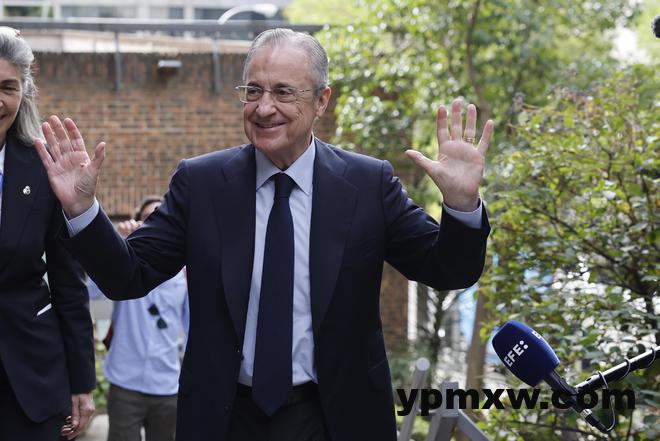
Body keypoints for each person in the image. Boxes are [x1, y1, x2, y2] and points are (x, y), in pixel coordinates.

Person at [35, 28, 493, 441]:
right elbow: (128, 275)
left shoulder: (367, 185)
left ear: (322, 100)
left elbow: (448, 270)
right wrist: (82, 209)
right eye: (253, 91)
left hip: (336, 415)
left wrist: (461, 205)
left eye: (283, 92)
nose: (264, 107)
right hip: (226, 416)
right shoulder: (202, 184)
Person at [0, 26, 95, 440]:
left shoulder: (45, 168)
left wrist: (82, 381)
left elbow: (68, 282)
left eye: (8, 87)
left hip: (33, 379)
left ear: (24, 93)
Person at [86, 195, 189, 441]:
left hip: (167, 384)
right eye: (146, 219)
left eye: (159, 217)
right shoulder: (124, 265)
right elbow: (90, 293)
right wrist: (118, 246)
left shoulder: (186, 273)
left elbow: (192, 328)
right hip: (126, 381)